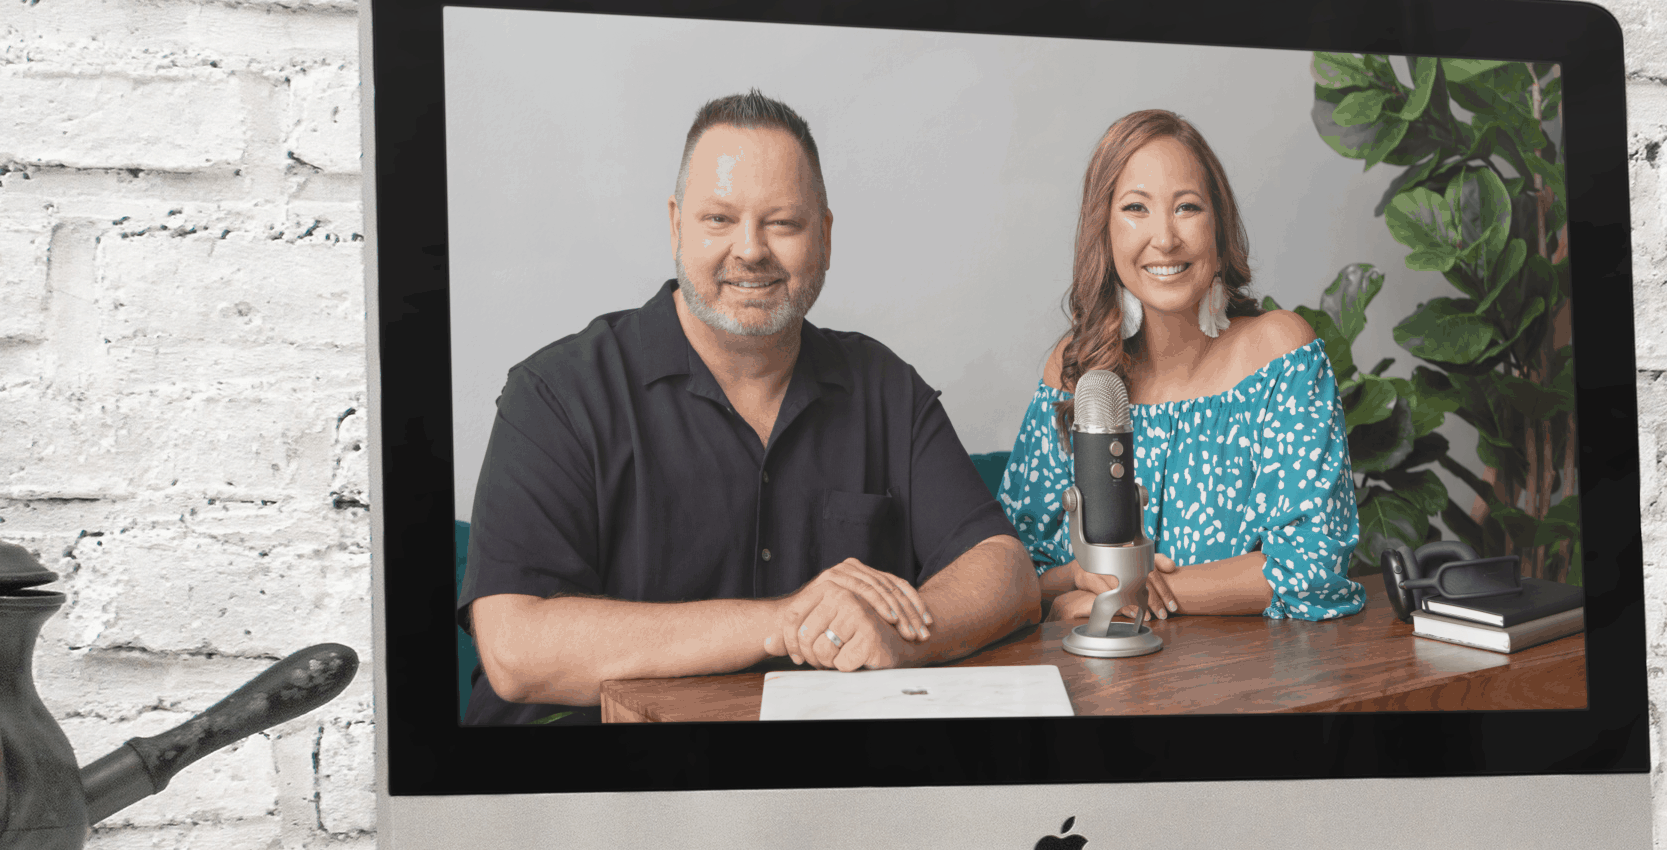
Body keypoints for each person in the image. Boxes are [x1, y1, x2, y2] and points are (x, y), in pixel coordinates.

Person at [460, 91, 1035, 724]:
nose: (752, 250)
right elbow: (516, 650)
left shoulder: (886, 388)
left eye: (783, 222)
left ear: (826, 234)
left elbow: (1003, 570)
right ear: (677, 225)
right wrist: (783, 622)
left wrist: (904, 635)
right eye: (719, 219)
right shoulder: (556, 394)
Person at [997, 110, 1363, 624]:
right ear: (1103, 230)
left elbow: (1311, 565)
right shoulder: (1075, 372)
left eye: (1187, 207)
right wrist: (1079, 580)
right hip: (1098, 678)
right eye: (1135, 209)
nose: (1165, 238)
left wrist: (1137, 592)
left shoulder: (1279, 352)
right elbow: (1013, 570)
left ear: (1219, 224)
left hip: (1249, 683)